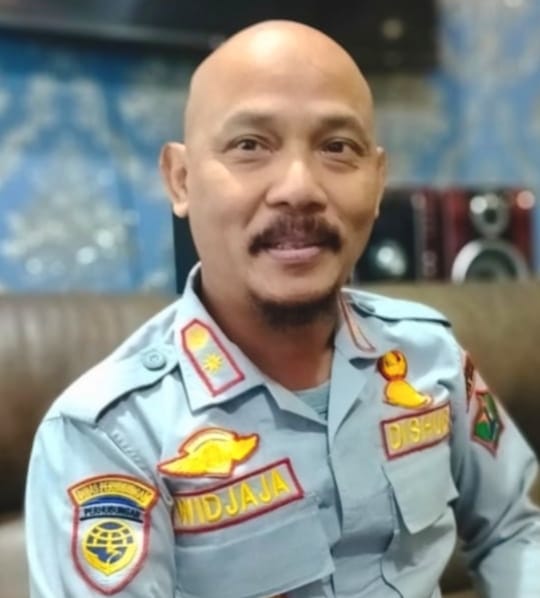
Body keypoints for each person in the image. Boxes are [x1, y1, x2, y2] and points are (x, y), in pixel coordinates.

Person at [25, 19, 540, 598]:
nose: (299, 187)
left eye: (337, 148)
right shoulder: (109, 435)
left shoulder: (429, 358)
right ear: (181, 180)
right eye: (250, 146)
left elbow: (515, 529)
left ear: (377, 181)